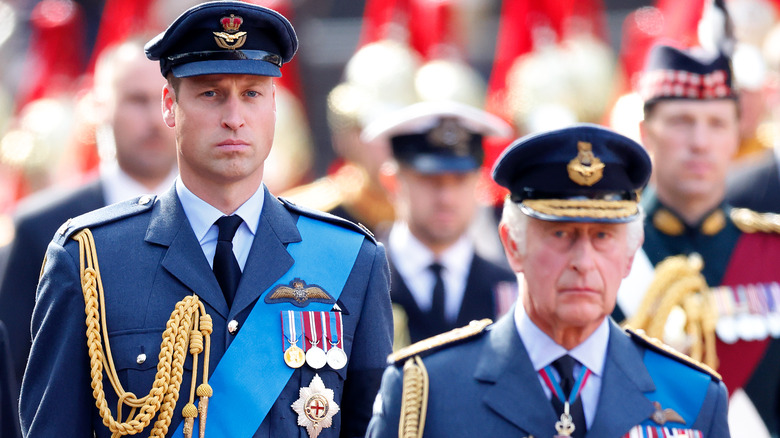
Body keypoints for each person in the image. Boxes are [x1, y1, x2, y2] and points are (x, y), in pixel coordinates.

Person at [19, 3, 392, 438]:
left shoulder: (350, 259)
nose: (234, 117)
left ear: (274, 105)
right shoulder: (90, 262)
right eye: (210, 93)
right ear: (170, 106)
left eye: (252, 93)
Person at [366, 124, 730, 438]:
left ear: (630, 256)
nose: (583, 262)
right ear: (512, 245)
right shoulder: (427, 390)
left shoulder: (692, 394)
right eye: (560, 235)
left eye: (602, 237)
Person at [0, 35, 178, 392]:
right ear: (98, 107)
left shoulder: (224, 221)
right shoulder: (40, 228)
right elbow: (15, 372)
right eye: (136, 100)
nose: (155, 119)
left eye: (167, 101)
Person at [621, 42, 780, 434]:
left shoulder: (772, 251)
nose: (699, 142)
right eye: (681, 122)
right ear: (646, 132)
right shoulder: (605, 247)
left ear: (737, 134)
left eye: (717, 123)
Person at [361, 101, 517, 349]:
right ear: (392, 181)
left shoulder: (509, 290)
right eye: (430, 180)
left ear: (479, 182)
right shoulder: (360, 281)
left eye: (460, 180)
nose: (447, 197)